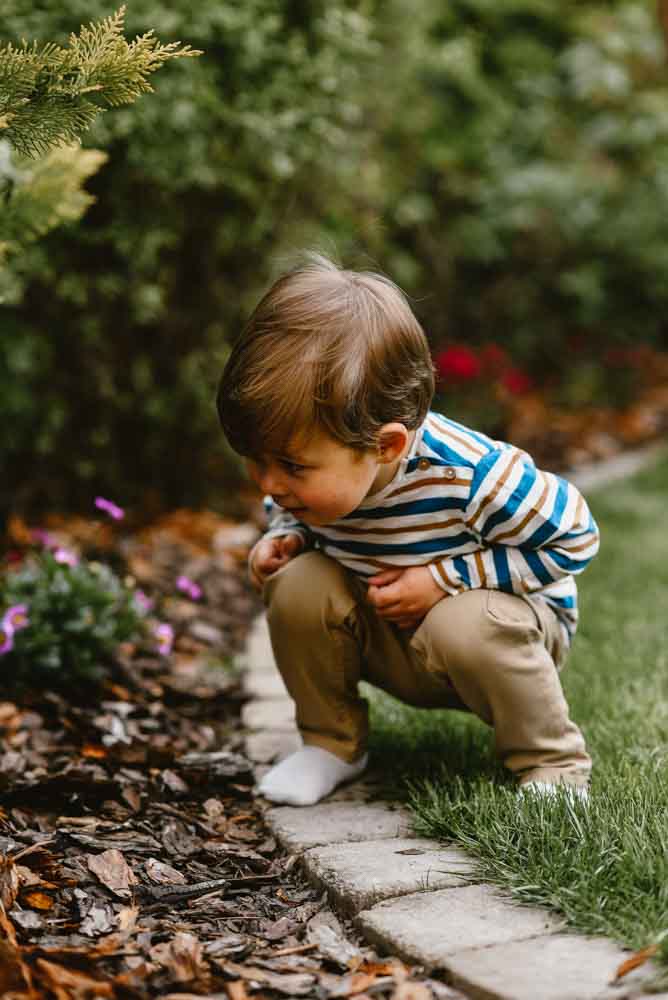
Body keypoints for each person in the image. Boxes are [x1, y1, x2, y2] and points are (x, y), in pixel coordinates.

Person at [217, 253, 599, 806]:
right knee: (298, 583)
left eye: (292, 467)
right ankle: (331, 744)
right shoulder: (322, 473)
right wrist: (287, 538)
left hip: (498, 640)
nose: (269, 485)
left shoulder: (475, 475)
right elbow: (294, 510)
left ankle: (551, 763)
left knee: (464, 623)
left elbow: (578, 536)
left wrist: (445, 579)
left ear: (386, 445)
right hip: (390, 628)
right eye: (256, 461)